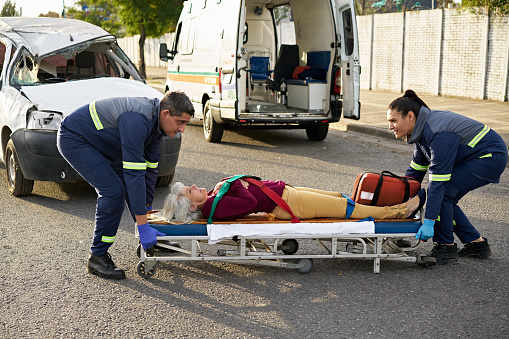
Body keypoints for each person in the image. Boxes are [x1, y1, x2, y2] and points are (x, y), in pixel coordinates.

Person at [57, 92, 194, 279]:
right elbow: (134, 175)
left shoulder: (157, 126)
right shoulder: (137, 119)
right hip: (76, 138)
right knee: (113, 192)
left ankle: (151, 237)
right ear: (165, 113)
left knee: (136, 185)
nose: (183, 129)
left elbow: (150, 170)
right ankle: (97, 256)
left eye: (185, 123)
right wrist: (142, 224)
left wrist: (147, 213)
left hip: (106, 144)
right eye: (180, 122)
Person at [387, 90, 508, 264]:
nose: (390, 126)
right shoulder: (421, 132)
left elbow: (438, 184)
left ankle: (446, 246)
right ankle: (476, 244)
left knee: (444, 193)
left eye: (393, 121)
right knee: (446, 196)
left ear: (410, 116)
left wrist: (429, 221)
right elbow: (415, 173)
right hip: (474, 156)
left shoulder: (438, 133)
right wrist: (399, 199)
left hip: (490, 157)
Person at [161, 178, 426, 223]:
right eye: (189, 191)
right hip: (289, 204)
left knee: (338, 197)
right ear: (192, 206)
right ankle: (400, 212)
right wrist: (236, 183)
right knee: (347, 208)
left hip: (287, 195)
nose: (193, 186)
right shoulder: (215, 207)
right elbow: (249, 204)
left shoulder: (212, 200)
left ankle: (385, 209)